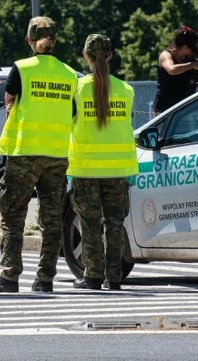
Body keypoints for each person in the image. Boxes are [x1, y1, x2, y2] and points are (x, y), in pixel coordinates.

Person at [0, 17, 78, 294]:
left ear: (29, 40)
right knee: (52, 220)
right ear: (55, 40)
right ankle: (45, 279)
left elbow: (9, 102)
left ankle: (9, 276)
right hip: (57, 155)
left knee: (13, 217)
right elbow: (73, 112)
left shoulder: (21, 69)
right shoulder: (69, 74)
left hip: (24, 153)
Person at [68, 34, 139, 291]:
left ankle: (92, 276)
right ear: (110, 56)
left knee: (89, 223)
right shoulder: (126, 90)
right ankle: (114, 277)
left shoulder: (76, 89)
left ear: (85, 56)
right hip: (118, 168)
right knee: (115, 224)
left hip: (85, 167)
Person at [153, 26, 198, 114]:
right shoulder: (166, 55)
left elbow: (180, 84)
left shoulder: (184, 60)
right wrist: (192, 65)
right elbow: (172, 70)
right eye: (192, 48)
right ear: (185, 47)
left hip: (181, 109)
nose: (192, 51)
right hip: (165, 110)